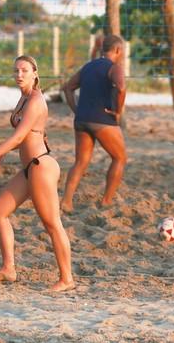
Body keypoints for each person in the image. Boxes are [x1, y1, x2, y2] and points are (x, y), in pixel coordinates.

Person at [0, 55, 74, 292]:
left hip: (41, 166)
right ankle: (9, 269)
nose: (19, 75)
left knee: (51, 224)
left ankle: (67, 279)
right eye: (16, 70)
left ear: (35, 73)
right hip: (29, 168)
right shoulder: (23, 98)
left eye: (24, 70)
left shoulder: (36, 100)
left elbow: (19, 135)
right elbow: (26, 137)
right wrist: (9, 150)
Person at [61, 34, 127, 213]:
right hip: (103, 120)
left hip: (81, 120)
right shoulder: (115, 68)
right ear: (118, 50)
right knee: (120, 158)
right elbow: (121, 88)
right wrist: (118, 111)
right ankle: (106, 202)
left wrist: (76, 109)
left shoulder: (88, 66)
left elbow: (67, 88)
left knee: (81, 162)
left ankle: (66, 202)